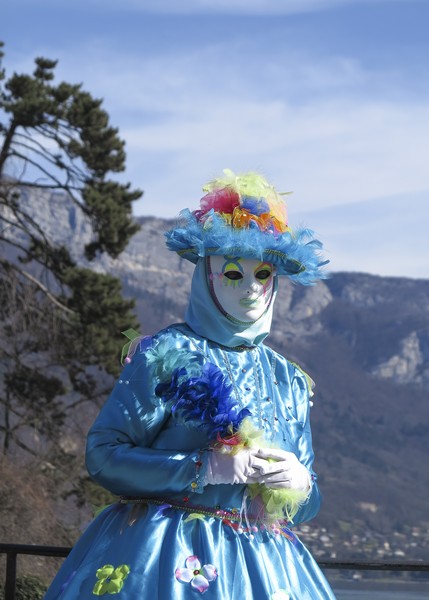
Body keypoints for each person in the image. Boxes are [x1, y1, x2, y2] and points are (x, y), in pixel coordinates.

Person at [45, 169, 336, 599]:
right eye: (234, 274)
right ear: (208, 274)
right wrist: (202, 468)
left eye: (263, 275)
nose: (252, 289)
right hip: (164, 560)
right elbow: (104, 456)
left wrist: (301, 485)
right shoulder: (166, 354)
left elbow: (305, 504)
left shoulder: (288, 379)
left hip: (266, 569)